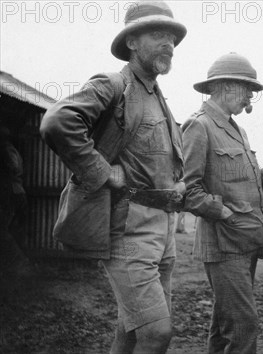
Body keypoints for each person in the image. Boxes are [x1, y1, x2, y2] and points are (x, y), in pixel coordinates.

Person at [39, 2, 187, 353]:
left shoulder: (158, 97)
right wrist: (103, 171)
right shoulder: (114, 84)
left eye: (171, 36)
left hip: (163, 228)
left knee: (133, 328)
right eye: (157, 34)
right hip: (128, 227)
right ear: (132, 42)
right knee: (157, 332)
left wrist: (175, 184)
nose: (167, 43)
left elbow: (155, 159)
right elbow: (58, 122)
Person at [182, 52, 263, 353]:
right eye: (246, 89)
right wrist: (224, 214)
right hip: (223, 244)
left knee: (224, 324)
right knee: (243, 325)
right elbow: (189, 190)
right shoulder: (198, 126)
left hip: (246, 241)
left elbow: (249, 187)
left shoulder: (237, 130)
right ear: (225, 86)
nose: (251, 97)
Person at [0, 124, 32, 278]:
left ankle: (21, 262)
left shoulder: (6, 149)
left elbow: (12, 167)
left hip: (12, 192)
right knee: (11, 229)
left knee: (3, 230)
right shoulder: (10, 149)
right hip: (15, 191)